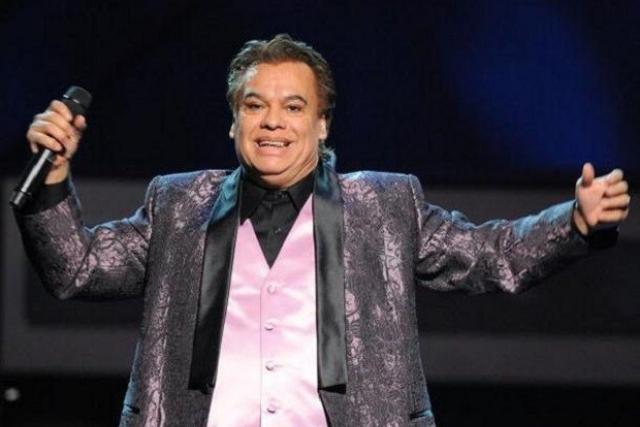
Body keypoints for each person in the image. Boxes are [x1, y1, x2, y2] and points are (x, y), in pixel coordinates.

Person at [15, 34, 630, 427]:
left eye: (293, 107)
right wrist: (54, 178)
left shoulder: (385, 205)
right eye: (254, 105)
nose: (272, 122)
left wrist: (574, 222)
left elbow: (488, 255)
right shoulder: (178, 204)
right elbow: (76, 270)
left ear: (322, 124)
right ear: (233, 123)